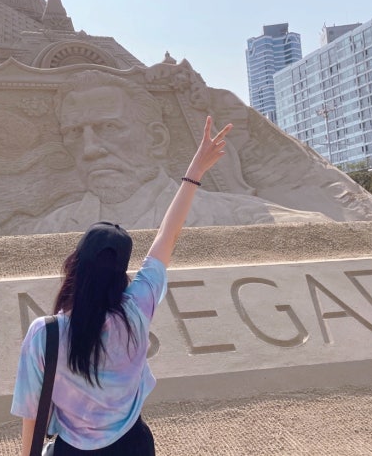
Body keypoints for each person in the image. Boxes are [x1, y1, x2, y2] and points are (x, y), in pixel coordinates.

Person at [12, 115, 232, 455]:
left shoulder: (46, 333)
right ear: (121, 274)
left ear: (75, 264)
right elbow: (167, 236)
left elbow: (32, 413)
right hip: (133, 446)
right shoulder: (137, 310)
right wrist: (195, 172)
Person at [33, 70, 330, 233]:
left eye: (109, 127)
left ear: (157, 139)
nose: (90, 150)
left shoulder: (240, 216)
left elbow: (319, 230)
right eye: (74, 133)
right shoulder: (49, 229)